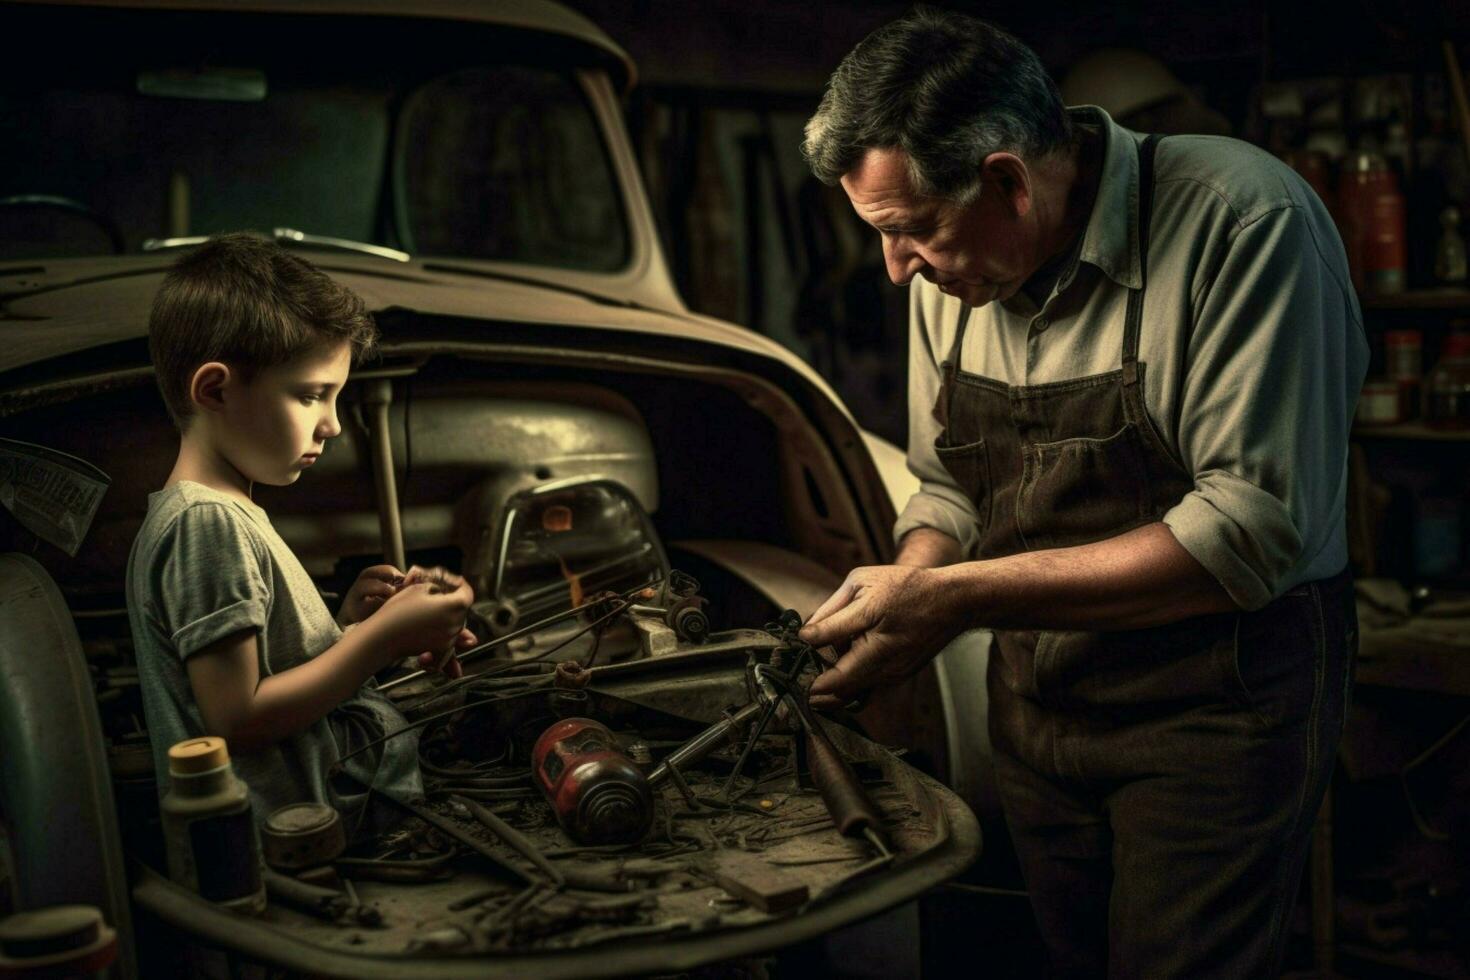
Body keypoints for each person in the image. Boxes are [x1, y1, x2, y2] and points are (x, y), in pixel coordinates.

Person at [797, 10, 1366, 977]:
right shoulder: (952, 274)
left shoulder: (1243, 221)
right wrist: (913, 587)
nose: (898, 273)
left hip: (1215, 713)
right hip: (1039, 705)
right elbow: (947, 486)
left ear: (1009, 181)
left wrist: (951, 600)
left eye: (911, 233)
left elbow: (1249, 532)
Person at [126, 234, 475, 834]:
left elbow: (265, 677)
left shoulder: (219, 514)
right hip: (306, 852)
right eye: (312, 394)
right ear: (214, 390)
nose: (334, 424)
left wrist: (347, 629)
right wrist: (380, 641)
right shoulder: (205, 524)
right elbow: (237, 717)